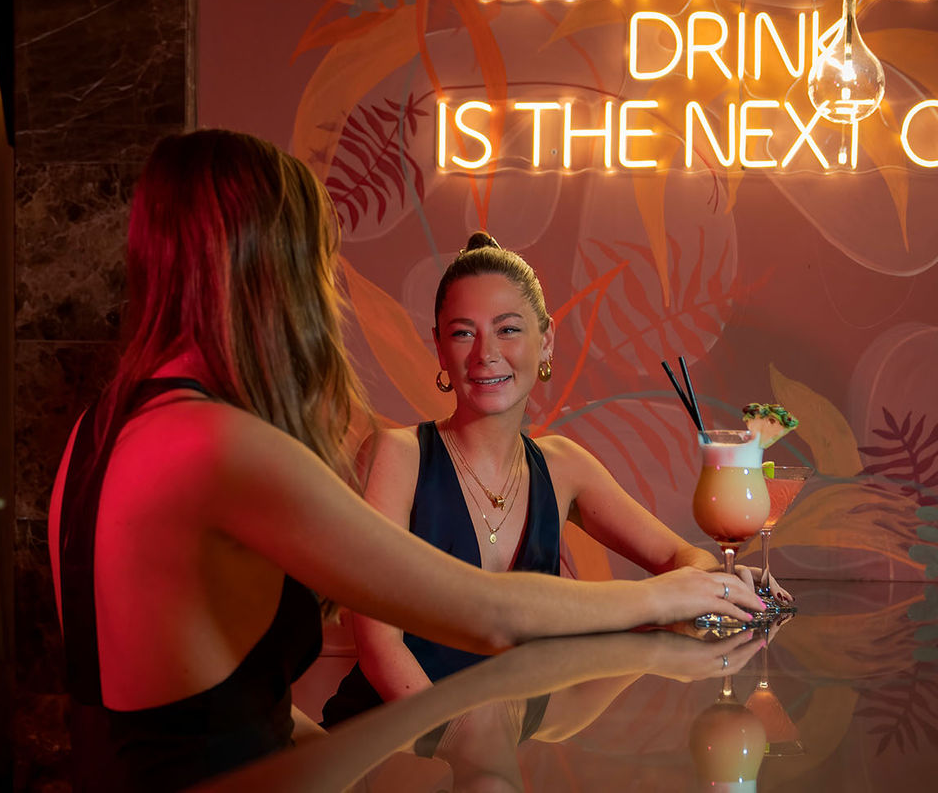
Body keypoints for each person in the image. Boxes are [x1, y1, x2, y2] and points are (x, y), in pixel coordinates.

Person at [46, 130, 763, 793]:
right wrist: (664, 596)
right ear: (271, 269)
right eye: (318, 264)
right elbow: (485, 615)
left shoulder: (102, 429)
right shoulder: (222, 445)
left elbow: (217, 722)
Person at [322, 232, 787, 728]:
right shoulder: (397, 456)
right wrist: (455, 742)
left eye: (508, 329)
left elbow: (683, 558)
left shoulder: (564, 466)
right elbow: (379, 645)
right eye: (462, 333)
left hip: (504, 745)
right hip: (390, 739)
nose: (485, 354)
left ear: (545, 340)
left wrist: (722, 578)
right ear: (438, 347)